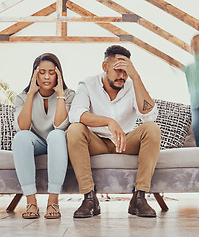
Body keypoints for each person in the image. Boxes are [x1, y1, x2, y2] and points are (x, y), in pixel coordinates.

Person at [67, 45, 161, 218]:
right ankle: (90, 199)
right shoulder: (88, 84)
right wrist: (109, 122)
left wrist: (136, 77)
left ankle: (138, 198)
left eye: (126, 71)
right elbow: (75, 114)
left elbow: (150, 116)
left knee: (152, 129)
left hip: (125, 142)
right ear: (105, 67)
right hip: (96, 142)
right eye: (118, 70)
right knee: (74, 129)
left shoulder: (132, 84)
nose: (122, 76)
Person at [13, 53, 75, 219]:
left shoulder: (68, 95)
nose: (47, 76)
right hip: (37, 143)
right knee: (21, 137)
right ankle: (31, 202)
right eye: (42, 72)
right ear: (34, 74)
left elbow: (60, 125)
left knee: (56, 135)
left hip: (59, 143)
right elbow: (23, 127)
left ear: (58, 74)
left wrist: (60, 94)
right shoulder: (22, 97)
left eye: (52, 72)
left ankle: (53, 201)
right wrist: (31, 94)